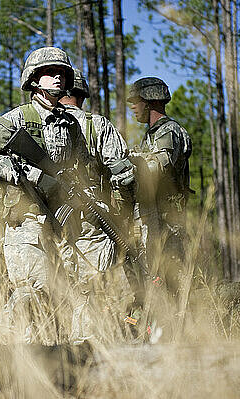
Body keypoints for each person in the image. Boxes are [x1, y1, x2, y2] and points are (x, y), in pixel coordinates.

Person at [0, 47, 91, 344]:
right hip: (25, 219)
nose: (57, 77)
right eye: (49, 72)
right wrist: (32, 175)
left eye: (62, 73)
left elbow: (82, 167)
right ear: (33, 79)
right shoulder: (14, 120)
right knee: (31, 287)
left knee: (67, 293)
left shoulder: (71, 125)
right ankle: (2, 348)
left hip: (60, 221)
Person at [59, 68, 136, 342]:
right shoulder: (98, 125)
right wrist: (124, 215)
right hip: (90, 221)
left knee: (50, 292)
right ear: (81, 94)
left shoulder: (41, 124)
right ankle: (86, 353)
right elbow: (125, 174)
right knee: (91, 289)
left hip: (46, 220)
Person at [128, 77, 192, 285]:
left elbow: (156, 167)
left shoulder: (168, 130)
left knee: (169, 284)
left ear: (150, 100)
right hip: (154, 220)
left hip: (167, 223)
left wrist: (130, 161)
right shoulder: (152, 135)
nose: (133, 107)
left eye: (136, 101)